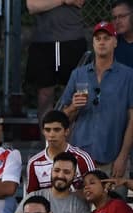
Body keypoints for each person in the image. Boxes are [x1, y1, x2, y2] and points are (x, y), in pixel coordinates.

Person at [59, 23, 133, 176]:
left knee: (114, 200)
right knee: (77, 201)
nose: (102, 42)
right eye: (97, 38)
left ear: (115, 42)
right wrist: (73, 107)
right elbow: (62, 119)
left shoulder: (128, 76)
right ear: (93, 43)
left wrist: (123, 156)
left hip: (113, 158)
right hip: (79, 158)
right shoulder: (78, 74)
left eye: (106, 38)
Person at [8, 151, 91, 213]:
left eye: (66, 172)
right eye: (56, 170)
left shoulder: (80, 205)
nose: (60, 175)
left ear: (74, 175)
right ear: (51, 171)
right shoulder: (34, 196)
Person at [24, 110, 96, 194]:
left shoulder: (82, 158)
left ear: (66, 131)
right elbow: (32, 196)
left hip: (77, 206)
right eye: (48, 130)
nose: (51, 135)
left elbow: (95, 190)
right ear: (43, 132)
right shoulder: (35, 163)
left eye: (56, 130)